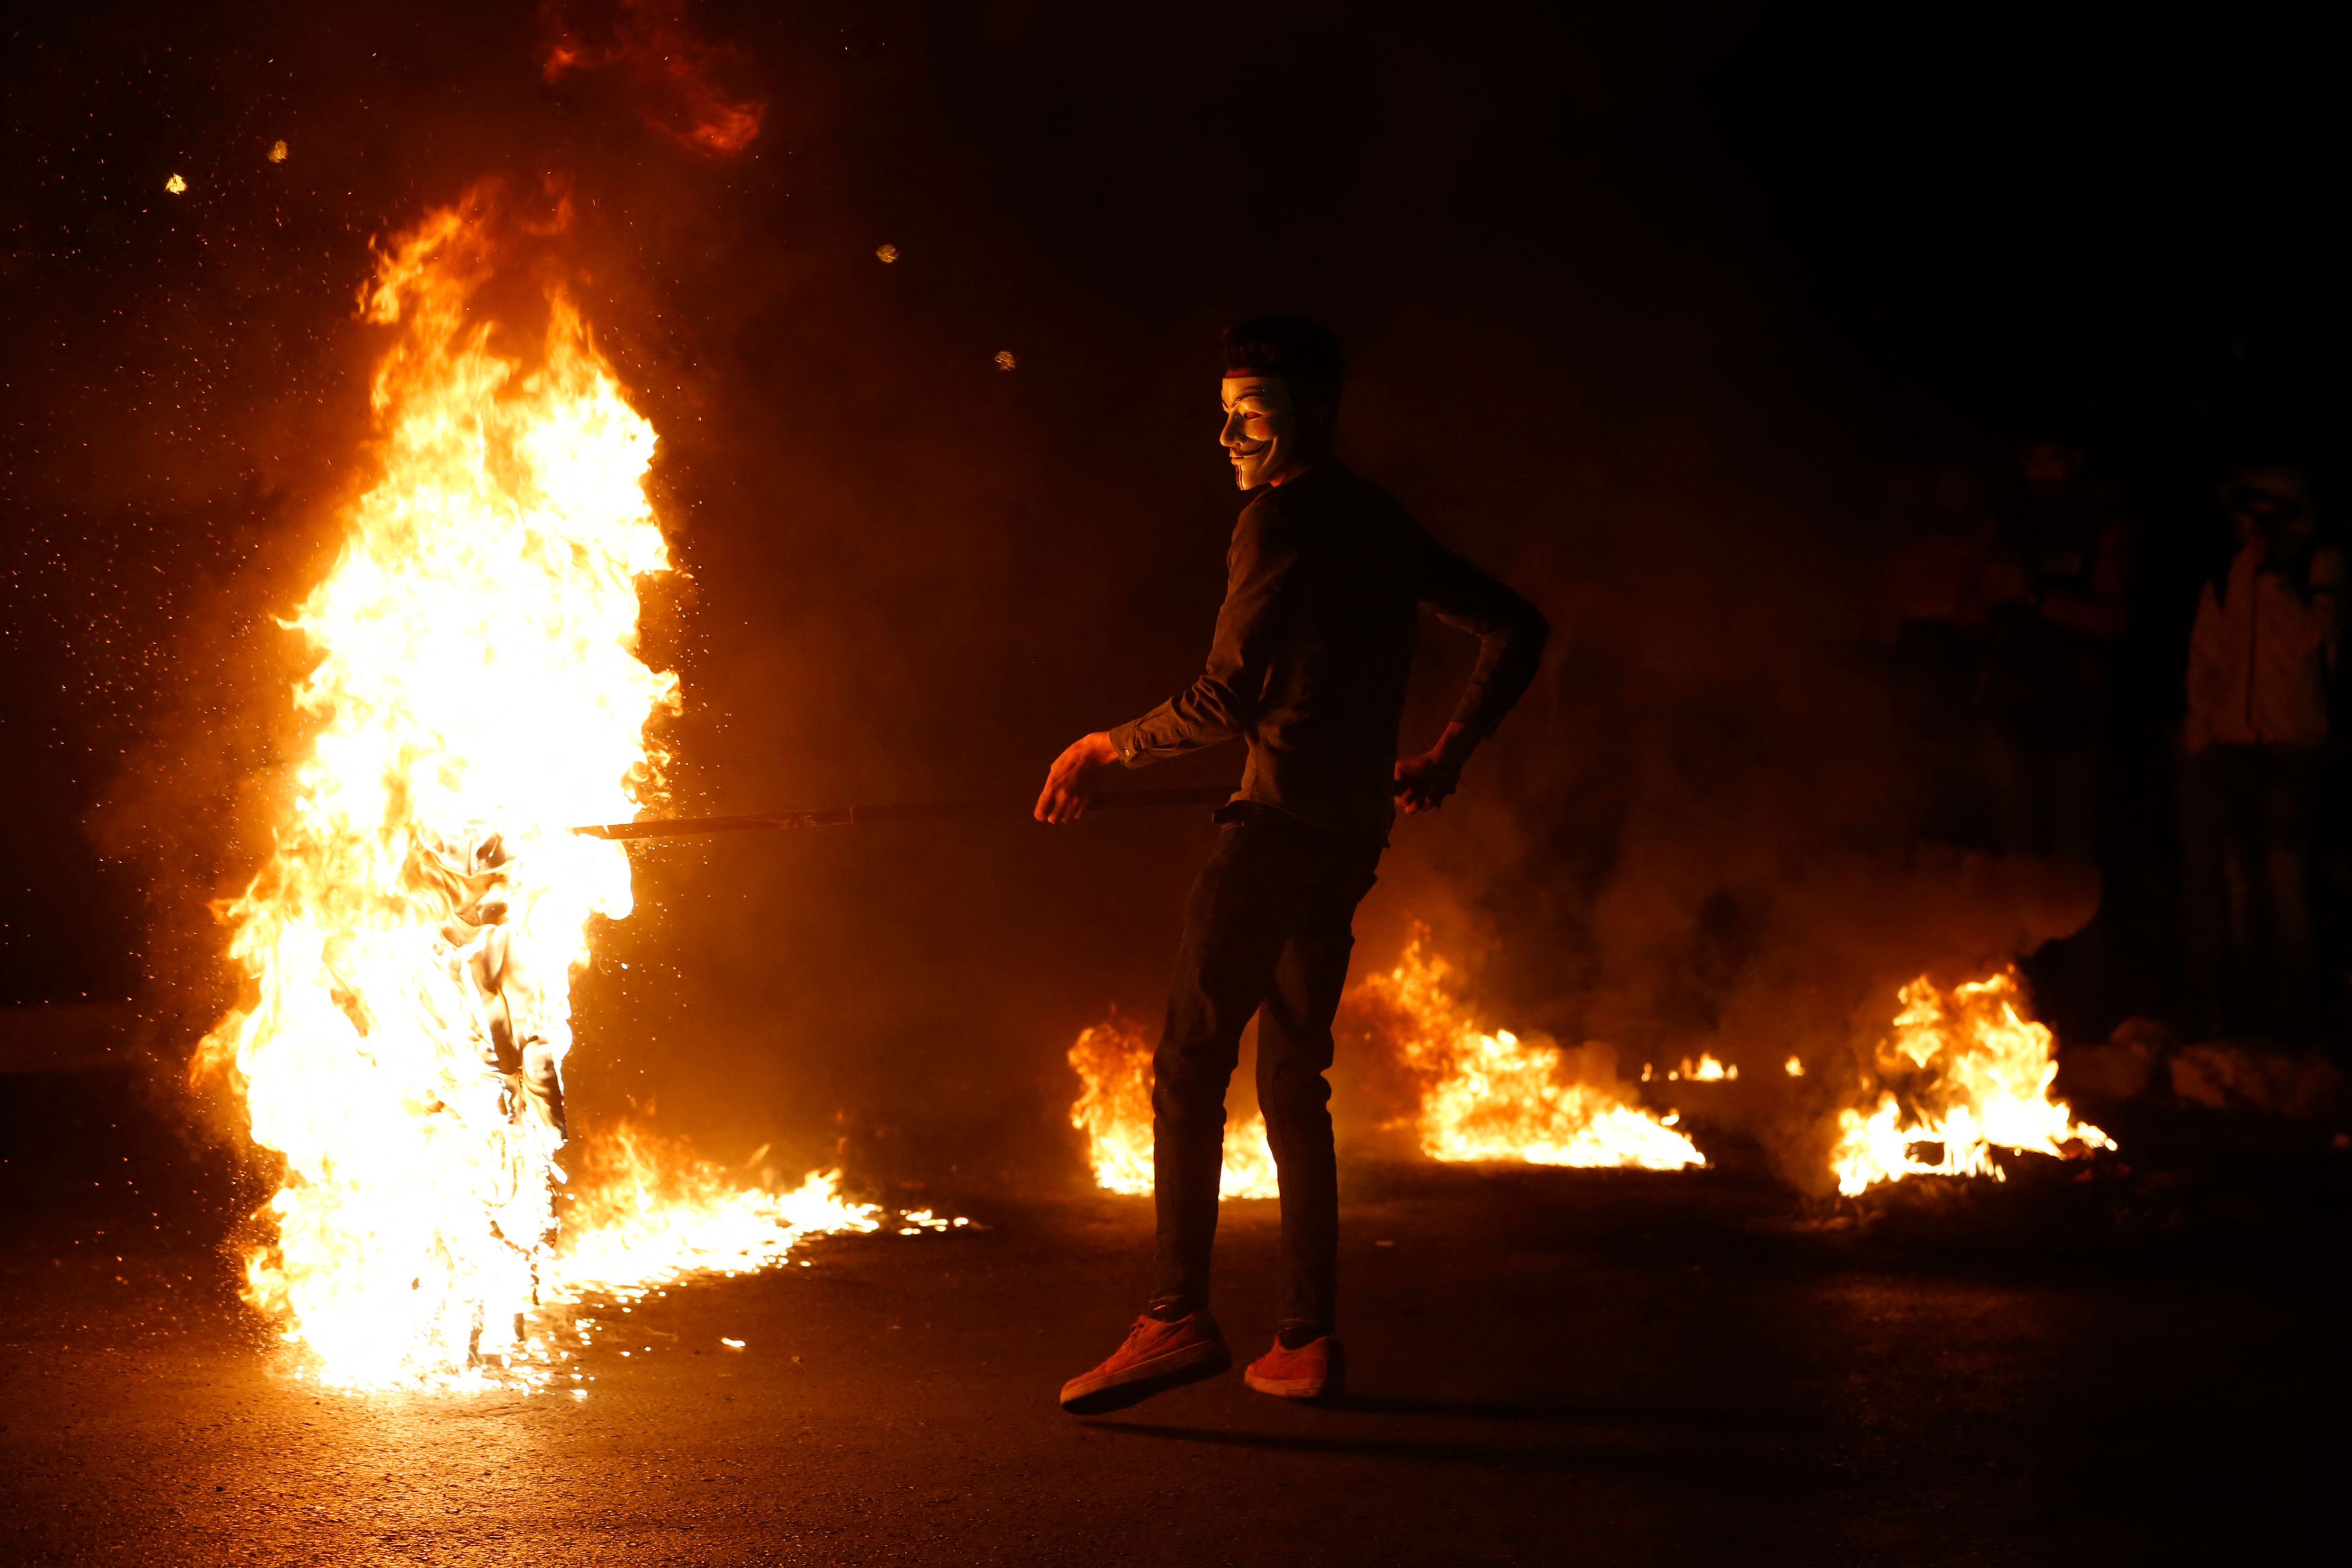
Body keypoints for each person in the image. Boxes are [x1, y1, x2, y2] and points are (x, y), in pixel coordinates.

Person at [1034, 317, 1547, 1411]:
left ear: (1309, 414)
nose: (1226, 435)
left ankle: (1175, 1316)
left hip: (1269, 833)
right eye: (1222, 412)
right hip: (1350, 832)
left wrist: (1103, 746)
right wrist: (1445, 753)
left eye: (1250, 414)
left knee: (1186, 1065)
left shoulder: (1278, 522)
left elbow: (1223, 699)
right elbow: (1515, 625)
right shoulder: (1378, 520)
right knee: (1292, 1084)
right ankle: (1305, 1339)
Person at [2180, 468, 2342, 1040]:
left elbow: (2315, 643)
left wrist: (2277, 581)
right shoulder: (2227, 574)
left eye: (2266, 515)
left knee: (2287, 887)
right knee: (2241, 891)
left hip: (2290, 748)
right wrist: (2200, 727)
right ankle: (2249, 1020)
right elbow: (2204, 656)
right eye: (2247, 515)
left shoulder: (2316, 568)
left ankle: (2296, 1021)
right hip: (2230, 748)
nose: (2252, 526)